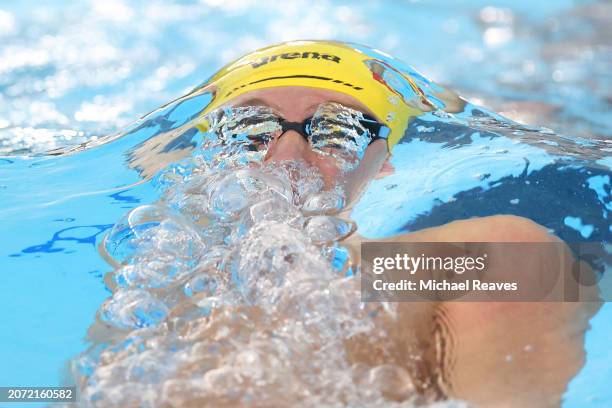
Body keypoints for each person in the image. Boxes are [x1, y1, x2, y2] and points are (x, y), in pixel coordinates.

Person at [190, 40, 600, 407]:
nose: (287, 160)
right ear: (209, 152)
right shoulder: (139, 273)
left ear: (383, 163)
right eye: (248, 129)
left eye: (337, 130)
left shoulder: (483, 265)